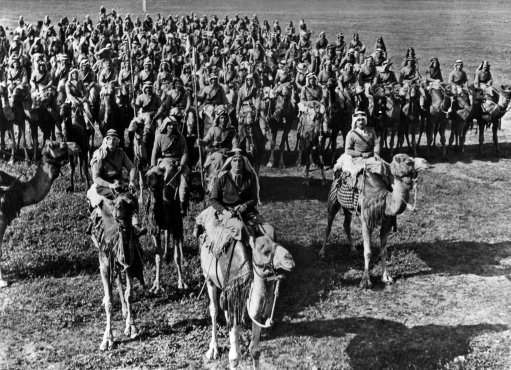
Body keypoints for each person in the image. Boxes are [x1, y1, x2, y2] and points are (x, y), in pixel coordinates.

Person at [87, 129, 144, 234]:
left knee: (132, 198)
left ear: (118, 141)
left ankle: (135, 224)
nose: (112, 141)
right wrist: (110, 185)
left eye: (114, 139)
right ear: (106, 141)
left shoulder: (121, 153)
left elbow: (131, 167)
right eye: (110, 139)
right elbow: (96, 178)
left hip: (119, 182)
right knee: (117, 200)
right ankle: (111, 226)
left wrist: (131, 181)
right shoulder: (100, 155)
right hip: (104, 185)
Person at [209, 148, 261, 232]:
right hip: (228, 212)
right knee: (240, 228)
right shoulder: (222, 178)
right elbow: (213, 199)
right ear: (230, 163)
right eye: (235, 160)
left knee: (268, 230)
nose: (237, 163)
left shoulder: (250, 178)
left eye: (240, 161)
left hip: (247, 211)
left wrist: (245, 206)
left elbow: (254, 199)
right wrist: (224, 211)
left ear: (244, 163)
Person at [151, 115, 190, 215]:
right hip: (166, 160)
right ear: (165, 126)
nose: (172, 127)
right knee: (168, 171)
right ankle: (166, 198)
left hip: (179, 161)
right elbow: (154, 153)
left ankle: (182, 204)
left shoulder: (181, 138)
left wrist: (182, 164)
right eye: (169, 125)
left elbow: (185, 153)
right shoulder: (159, 137)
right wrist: (153, 166)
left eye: (174, 125)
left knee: (184, 177)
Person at [333, 111, 385, 186]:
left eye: (362, 120)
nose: (361, 122)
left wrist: (376, 153)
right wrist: (361, 154)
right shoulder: (351, 134)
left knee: (382, 168)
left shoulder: (371, 131)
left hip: (370, 156)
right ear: (355, 122)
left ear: (365, 121)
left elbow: (376, 143)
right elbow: (347, 150)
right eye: (358, 120)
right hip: (356, 158)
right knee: (353, 174)